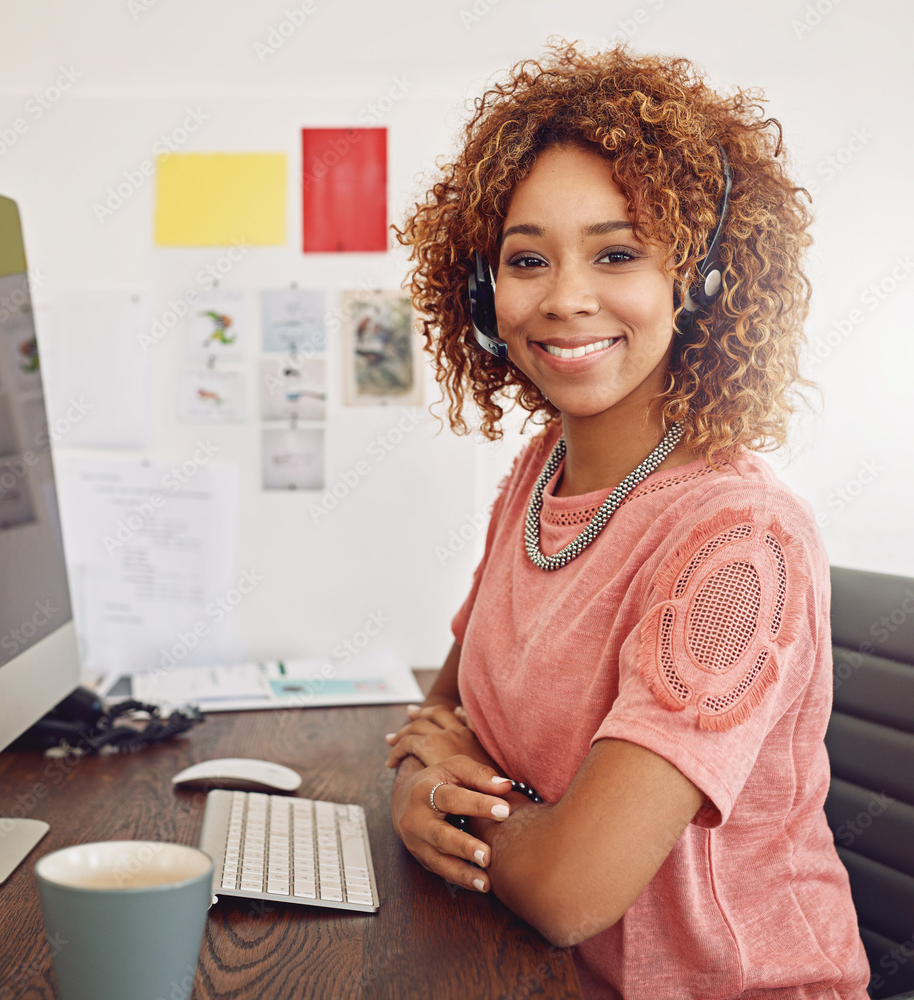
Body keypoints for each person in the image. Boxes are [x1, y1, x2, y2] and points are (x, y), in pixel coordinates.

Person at [385, 42, 871, 999]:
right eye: (527, 260)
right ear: (486, 298)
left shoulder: (740, 540)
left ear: (705, 283)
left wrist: (432, 798)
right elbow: (442, 719)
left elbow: (570, 890)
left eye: (617, 254)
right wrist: (420, 781)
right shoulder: (540, 473)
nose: (565, 298)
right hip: (543, 970)